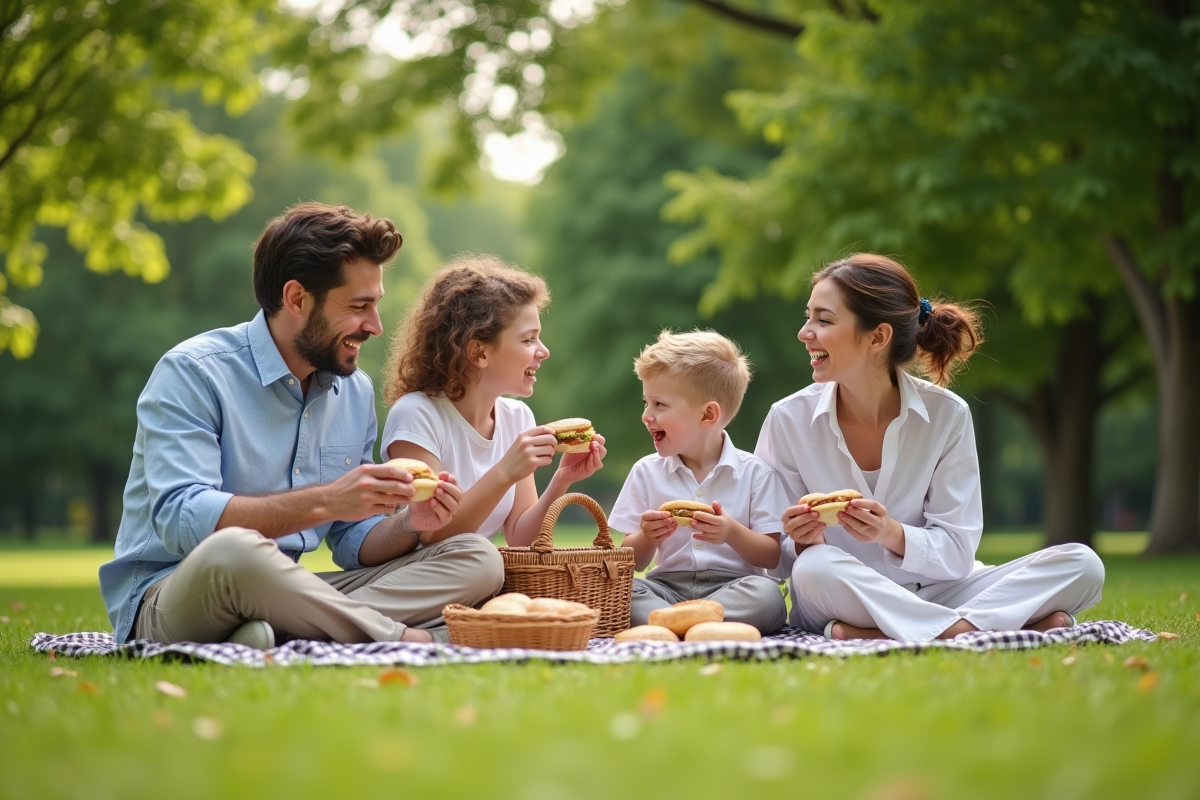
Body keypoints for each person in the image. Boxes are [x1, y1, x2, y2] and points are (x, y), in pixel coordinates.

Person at [99, 203, 504, 649]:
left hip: (286, 591)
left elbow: (352, 540)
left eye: (376, 305)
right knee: (235, 551)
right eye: (358, 306)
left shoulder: (353, 392)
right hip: (176, 593)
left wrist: (409, 523)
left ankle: (284, 634)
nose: (374, 325)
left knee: (477, 558)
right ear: (296, 299)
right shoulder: (192, 372)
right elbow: (183, 520)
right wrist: (329, 499)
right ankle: (405, 638)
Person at [756, 253, 1105, 641]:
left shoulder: (947, 415)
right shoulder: (787, 420)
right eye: (808, 316)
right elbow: (773, 558)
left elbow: (957, 550)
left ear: (878, 337)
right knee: (813, 569)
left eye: (823, 320)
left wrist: (889, 532)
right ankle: (975, 626)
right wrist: (805, 541)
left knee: (1083, 564)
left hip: (943, 592)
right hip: (844, 591)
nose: (805, 332)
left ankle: (880, 633)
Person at [380, 254, 606, 547]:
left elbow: (520, 539)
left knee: (485, 559)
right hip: (421, 569)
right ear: (479, 353)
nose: (544, 351)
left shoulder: (517, 417)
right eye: (528, 340)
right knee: (482, 556)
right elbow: (433, 535)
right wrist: (504, 471)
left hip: (476, 570)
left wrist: (562, 478)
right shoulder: (417, 414)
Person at [608, 330, 789, 634]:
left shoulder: (755, 473)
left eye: (659, 405)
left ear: (707, 414)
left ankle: (671, 626)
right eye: (646, 402)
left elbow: (771, 556)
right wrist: (647, 537)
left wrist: (731, 532)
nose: (645, 415)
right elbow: (634, 562)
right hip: (665, 588)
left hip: (732, 586)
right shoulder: (646, 472)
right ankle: (702, 627)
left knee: (768, 596)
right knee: (624, 592)